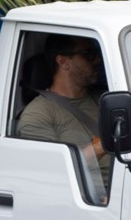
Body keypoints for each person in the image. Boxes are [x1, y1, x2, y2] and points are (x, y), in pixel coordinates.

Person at [19, 37, 111, 185]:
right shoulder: (39, 114)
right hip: (93, 195)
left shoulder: (107, 100)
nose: (98, 60)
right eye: (88, 54)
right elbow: (49, 172)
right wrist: (105, 144)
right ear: (63, 62)